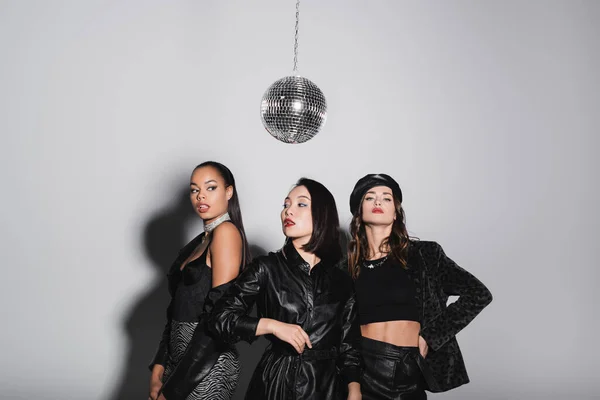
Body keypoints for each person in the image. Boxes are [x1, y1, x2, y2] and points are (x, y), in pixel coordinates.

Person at [209, 178, 362, 400]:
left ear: (322, 214)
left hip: (328, 387)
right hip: (276, 383)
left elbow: (350, 347)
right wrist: (272, 326)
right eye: (286, 205)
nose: (288, 211)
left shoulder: (342, 281)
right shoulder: (266, 268)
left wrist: (354, 389)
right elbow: (219, 319)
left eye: (301, 204)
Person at [348, 173, 492, 399]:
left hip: (408, 367)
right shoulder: (347, 267)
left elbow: (479, 294)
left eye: (386, 198)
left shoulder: (425, 255)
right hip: (365, 368)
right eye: (369, 197)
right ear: (359, 211)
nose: (378, 202)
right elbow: (342, 331)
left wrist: (431, 336)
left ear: (396, 212)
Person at [148, 161, 251, 400]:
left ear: (229, 191)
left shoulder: (226, 233)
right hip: (179, 365)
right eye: (194, 190)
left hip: (207, 366)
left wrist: (173, 391)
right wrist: (158, 368)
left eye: (210, 187)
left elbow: (218, 317)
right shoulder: (198, 242)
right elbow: (175, 311)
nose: (200, 195)